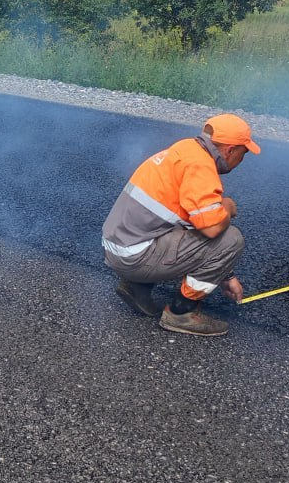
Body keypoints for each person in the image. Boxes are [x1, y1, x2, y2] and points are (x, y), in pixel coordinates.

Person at [100, 113, 261, 337]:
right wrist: (228, 208)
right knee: (231, 238)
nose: (241, 161)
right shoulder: (200, 167)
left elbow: (192, 221)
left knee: (187, 224)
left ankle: (137, 287)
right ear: (230, 150)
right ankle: (182, 312)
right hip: (136, 256)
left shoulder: (184, 149)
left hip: (119, 247)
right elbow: (213, 230)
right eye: (243, 154)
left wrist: (227, 275)